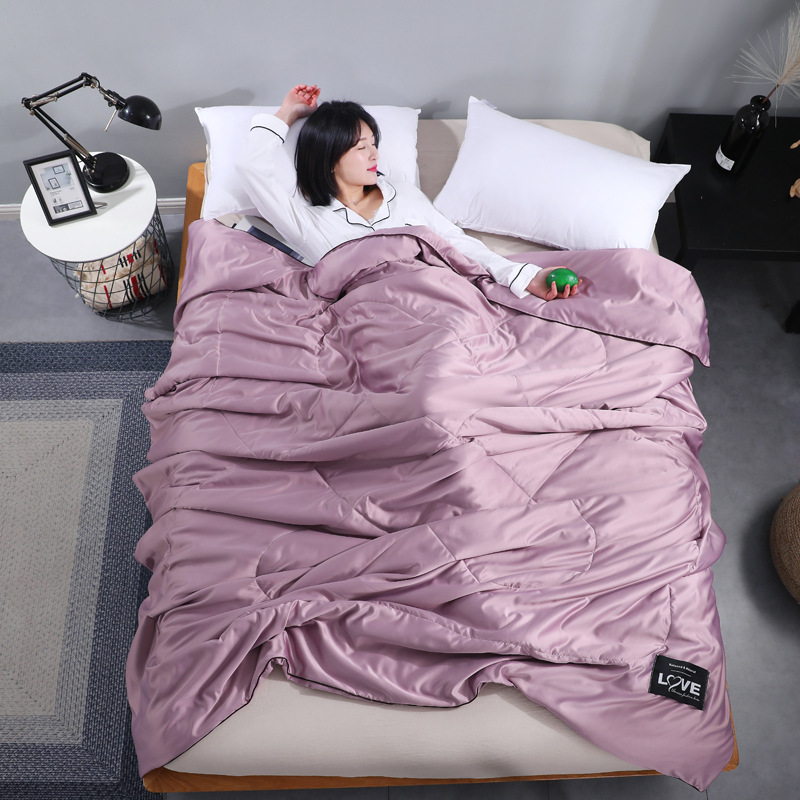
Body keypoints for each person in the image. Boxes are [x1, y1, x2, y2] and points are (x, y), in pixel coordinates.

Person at [237, 84, 581, 300]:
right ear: (329, 159)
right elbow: (253, 167)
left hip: (438, 302)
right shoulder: (305, 217)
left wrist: (524, 277)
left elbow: (454, 244)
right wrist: (287, 112)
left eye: (374, 144)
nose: (374, 155)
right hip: (371, 318)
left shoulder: (403, 195)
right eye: (360, 148)